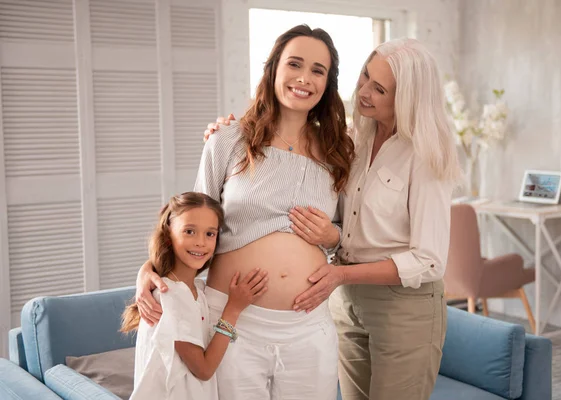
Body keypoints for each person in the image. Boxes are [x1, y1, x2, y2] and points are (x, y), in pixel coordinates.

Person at [207, 38, 461, 400]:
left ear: (407, 98)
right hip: (341, 302)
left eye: (380, 88)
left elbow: (430, 260)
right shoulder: (349, 142)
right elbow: (342, 228)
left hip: (397, 304)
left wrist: (338, 264)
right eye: (364, 76)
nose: (364, 91)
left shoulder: (420, 153)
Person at [135, 25, 355, 400]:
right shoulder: (227, 141)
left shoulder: (338, 152)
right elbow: (188, 226)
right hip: (234, 321)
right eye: (295, 64)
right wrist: (147, 270)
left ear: (328, 83)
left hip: (308, 327)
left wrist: (331, 237)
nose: (304, 78)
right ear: (273, 70)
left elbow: (346, 235)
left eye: (318, 70)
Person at [121, 192, 268, 400]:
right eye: (189, 231)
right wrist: (233, 309)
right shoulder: (172, 295)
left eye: (210, 234)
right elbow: (204, 370)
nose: (201, 242)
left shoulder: (195, 290)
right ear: (168, 236)